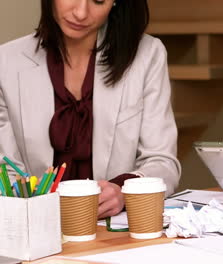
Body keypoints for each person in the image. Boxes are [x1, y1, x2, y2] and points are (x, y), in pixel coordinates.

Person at [0, 0, 181, 218]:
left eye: (98, 1)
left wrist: (124, 191)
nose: (81, 12)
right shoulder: (6, 62)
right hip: (36, 229)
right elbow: (5, 168)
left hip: (114, 234)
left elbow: (163, 162)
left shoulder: (147, 55)